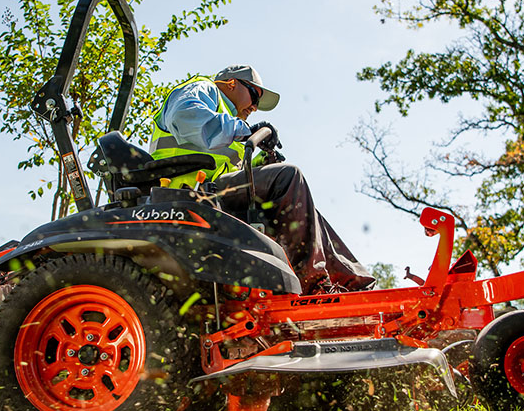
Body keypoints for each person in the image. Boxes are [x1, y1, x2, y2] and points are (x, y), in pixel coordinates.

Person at [148, 65, 374, 294]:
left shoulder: (228, 124)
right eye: (254, 95)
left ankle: (355, 286)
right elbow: (187, 118)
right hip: (182, 192)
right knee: (289, 176)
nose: (254, 107)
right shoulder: (203, 89)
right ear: (232, 83)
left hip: (211, 190)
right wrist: (246, 131)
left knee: (302, 206)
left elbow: (229, 170)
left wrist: (264, 163)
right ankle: (312, 285)